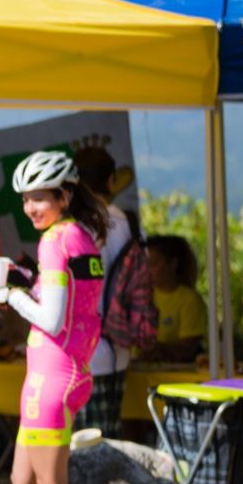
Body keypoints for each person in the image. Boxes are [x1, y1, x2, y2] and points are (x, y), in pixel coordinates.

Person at [0, 148, 108, 484]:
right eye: (26, 199)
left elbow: (54, 319)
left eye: (40, 198)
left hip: (52, 377)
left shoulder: (57, 241)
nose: (31, 208)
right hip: (58, 373)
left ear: (64, 195)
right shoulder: (78, 237)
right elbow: (72, 304)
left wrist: (10, 294)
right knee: (23, 483)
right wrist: (29, 281)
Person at [70, 144, 138, 441]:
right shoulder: (122, 221)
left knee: (80, 445)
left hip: (81, 347)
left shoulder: (71, 226)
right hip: (118, 343)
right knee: (108, 441)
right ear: (111, 181)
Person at [141, 234, 206, 364]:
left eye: (153, 264)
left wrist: (158, 349)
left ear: (173, 264)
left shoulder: (189, 300)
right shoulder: (141, 296)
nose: (147, 270)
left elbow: (187, 348)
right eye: (144, 264)